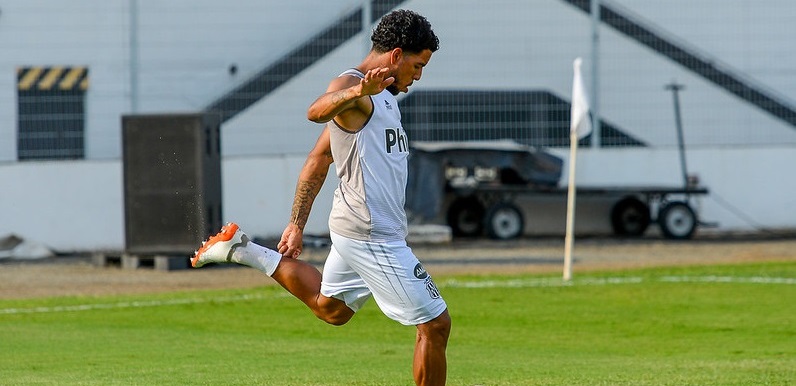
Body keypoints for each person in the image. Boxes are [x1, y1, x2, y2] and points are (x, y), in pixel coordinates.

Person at [191, 9, 450, 386]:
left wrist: (296, 225)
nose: (419, 75)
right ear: (396, 56)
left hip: (358, 230)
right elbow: (315, 111)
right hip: (371, 235)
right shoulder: (355, 87)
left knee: (331, 309)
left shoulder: (384, 95)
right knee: (435, 323)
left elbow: (320, 157)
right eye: (418, 64)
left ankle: (241, 249)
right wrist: (359, 92)